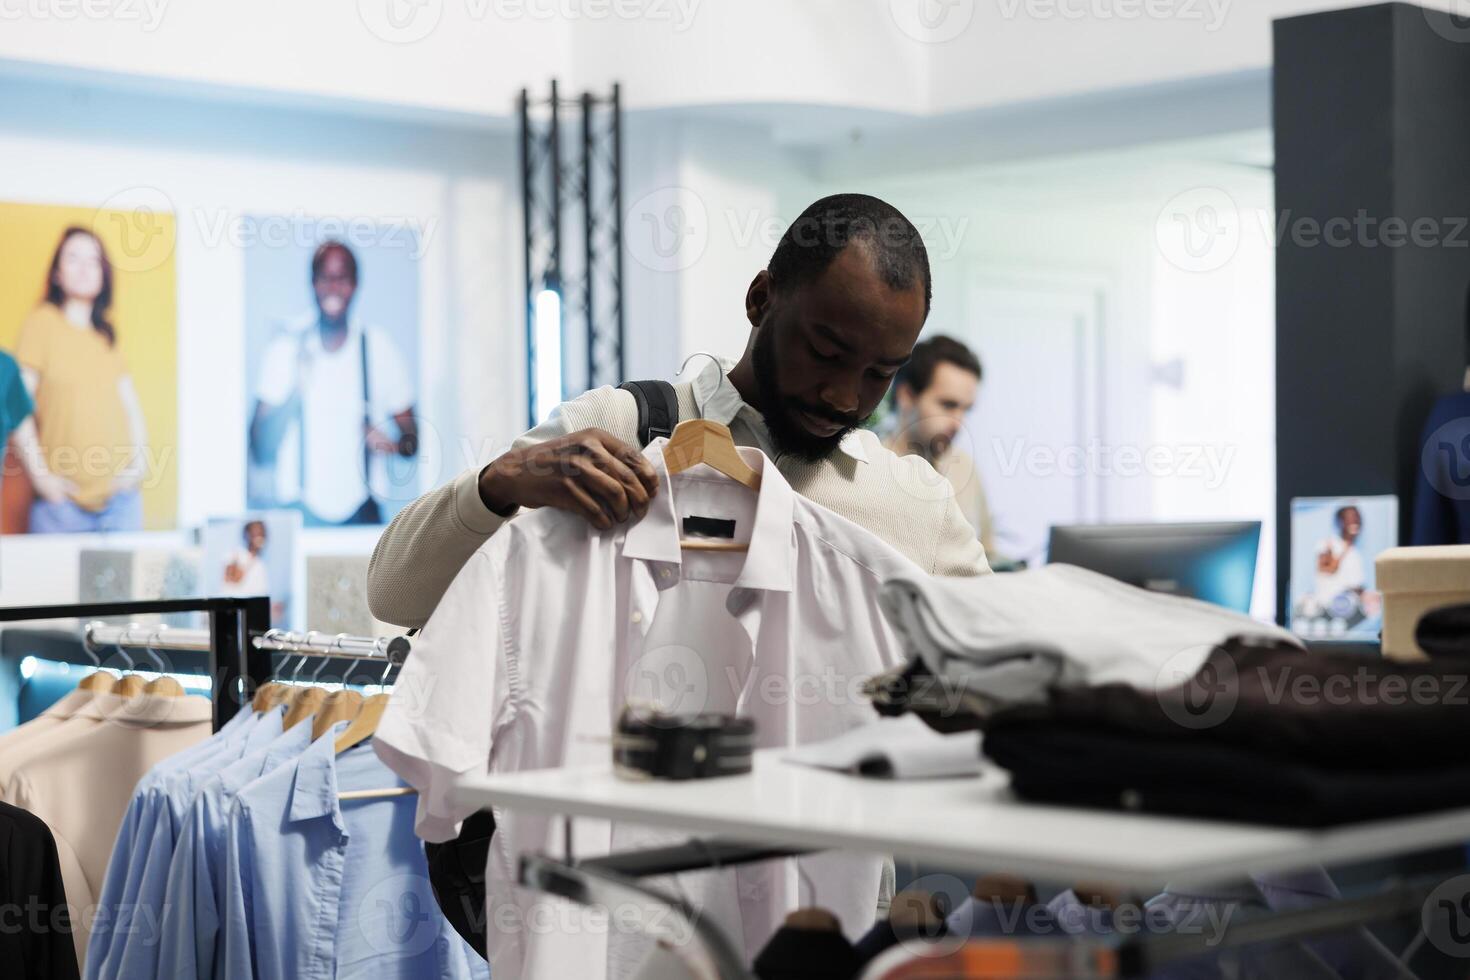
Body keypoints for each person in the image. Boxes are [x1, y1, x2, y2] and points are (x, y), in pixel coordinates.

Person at [367, 194, 991, 630]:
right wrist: (498, 482)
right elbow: (394, 595)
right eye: (826, 352)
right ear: (761, 299)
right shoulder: (615, 431)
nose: (845, 397)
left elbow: (1003, 673)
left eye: (880, 373)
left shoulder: (913, 507)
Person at [248, 240, 418, 527]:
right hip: (300, 512)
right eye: (325, 278)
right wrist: (294, 393)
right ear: (313, 283)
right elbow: (259, 446)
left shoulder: (378, 348)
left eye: (342, 279)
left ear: (355, 284)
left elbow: (412, 441)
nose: (333, 288)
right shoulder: (286, 349)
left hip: (363, 511)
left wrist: (390, 444)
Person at [15, 227, 148, 533]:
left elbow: (131, 409)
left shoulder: (106, 336)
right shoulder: (42, 323)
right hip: (62, 511)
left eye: (94, 259)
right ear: (57, 273)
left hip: (121, 506)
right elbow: (16, 406)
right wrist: (41, 479)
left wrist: (138, 468)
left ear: (103, 274)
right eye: (73, 258)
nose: (85, 267)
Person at [883, 335, 1003, 562]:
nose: (959, 422)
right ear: (906, 395)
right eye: (948, 405)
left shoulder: (964, 466)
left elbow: (988, 554)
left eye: (966, 409)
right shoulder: (870, 468)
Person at [1314, 504, 1366, 605]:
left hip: (1351, 610)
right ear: (1339, 522)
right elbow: (1325, 568)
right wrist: (1343, 553)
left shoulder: (1355, 553)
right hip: (1329, 609)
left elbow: (1356, 585)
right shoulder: (1328, 543)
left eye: (1357, 517)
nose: (1354, 521)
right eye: (1349, 518)